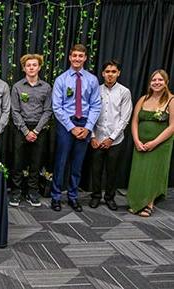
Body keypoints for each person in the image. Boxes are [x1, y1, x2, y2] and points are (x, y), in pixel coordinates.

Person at [50, 44, 101, 212]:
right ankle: (56, 197)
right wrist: (72, 127)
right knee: (61, 162)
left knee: (78, 164)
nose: (77, 58)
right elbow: (57, 107)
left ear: (85, 58)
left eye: (81, 56)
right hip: (66, 124)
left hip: (85, 123)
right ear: (70, 57)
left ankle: (73, 197)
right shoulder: (61, 79)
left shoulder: (92, 80)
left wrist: (87, 128)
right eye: (74, 56)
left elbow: (95, 106)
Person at [127, 70, 174, 217]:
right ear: (150, 82)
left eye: (160, 80)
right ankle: (137, 200)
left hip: (160, 144)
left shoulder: (171, 100)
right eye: (154, 80)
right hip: (140, 143)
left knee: (153, 172)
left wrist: (154, 142)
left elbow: (173, 126)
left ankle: (149, 203)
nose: (157, 83)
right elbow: (134, 120)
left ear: (166, 82)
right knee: (140, 172)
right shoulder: (143, 99)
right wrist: (136, 140)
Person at [9, 54, 52, 207]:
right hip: (21, 128)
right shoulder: (17, 87)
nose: (32, 68)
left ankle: (32, 192)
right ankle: (16, 191)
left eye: (34, 65)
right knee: (18, 162)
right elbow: (14, 111)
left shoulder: (46, 87)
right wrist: (26, 131)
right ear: (24, 68)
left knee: (36, 162)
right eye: (29, 65)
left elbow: (47, 111)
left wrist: (36, 131)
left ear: (39, 67)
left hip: (39, 129)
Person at [89, 60, 132, 210]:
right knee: (96, 171)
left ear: (118, 73)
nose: (110, 75)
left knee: (112, 171)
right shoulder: (96, 90)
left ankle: (109, 197)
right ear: (102, 73)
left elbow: (125, 118)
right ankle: (95, 196)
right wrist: (92, 136)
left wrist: (111, 138)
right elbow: (90, 115)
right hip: (97, 138)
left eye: (113, 72)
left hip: (115, 140)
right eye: (107, 71)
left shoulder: (124, 92)